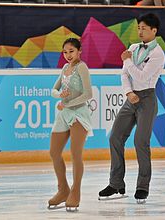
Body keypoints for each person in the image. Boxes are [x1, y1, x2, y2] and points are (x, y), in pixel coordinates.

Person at [98, 13, 165, 204]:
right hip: (131, 98)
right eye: (138, 28)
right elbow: (124, 74)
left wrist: (126, 60)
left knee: (140, 142)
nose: (140, 31)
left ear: (154, 31)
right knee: (115, 137)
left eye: (144, 28)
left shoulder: (158, 54)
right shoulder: (133, 48)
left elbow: (143, 77)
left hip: (147, 100)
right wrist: (128, 93)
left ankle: (143, 187)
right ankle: (116, 183)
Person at [48, 38, 93, 211]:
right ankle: (63, 189)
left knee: (75, 155)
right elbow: (53, 90)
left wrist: (66, 103)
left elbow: (88, 94)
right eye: (65, 52)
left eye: (71, 51)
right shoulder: (65, 68)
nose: (68, 55)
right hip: (64, 114)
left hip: (79, 114)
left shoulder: (82, 67)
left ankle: (75, 192)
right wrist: (59, 96)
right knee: (54, 152)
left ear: (79, 51)